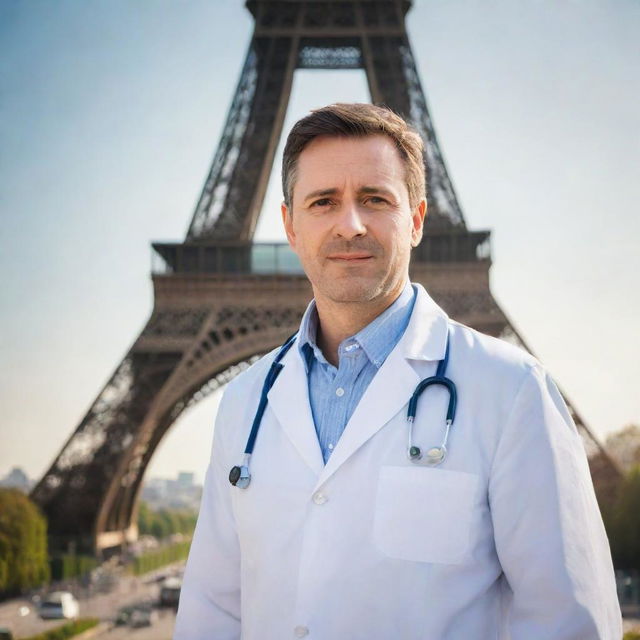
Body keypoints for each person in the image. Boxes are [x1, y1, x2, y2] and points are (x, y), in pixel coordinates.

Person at [174, 103, 621, 639]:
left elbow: (568, 622)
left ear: (415, 219)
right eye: (323, 202)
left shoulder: (513, 391)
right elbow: (212, 611)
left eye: (374, 199)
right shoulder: (246, 402)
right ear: (290, 225)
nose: (350, 224)